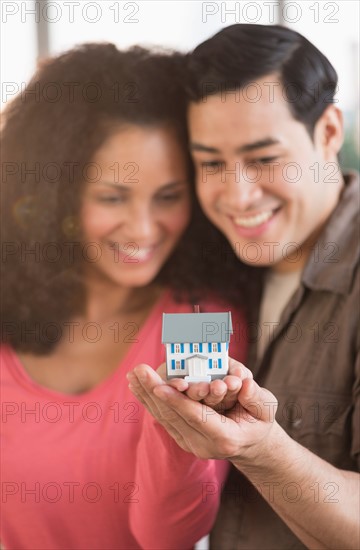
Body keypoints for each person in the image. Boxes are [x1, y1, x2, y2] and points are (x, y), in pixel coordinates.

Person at [0, 43, 249, 549]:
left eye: (169, 196)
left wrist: (181, 423)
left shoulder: (201, 320)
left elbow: (168, 537)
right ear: (59, 197)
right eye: (112, 197)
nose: (143, 229)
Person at [127, 24, 360, 550]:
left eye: (263, 158)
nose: (237, 195)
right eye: (211, 162)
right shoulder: (214, 268)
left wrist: (262, 450)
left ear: (328, 132)